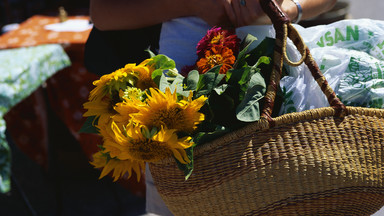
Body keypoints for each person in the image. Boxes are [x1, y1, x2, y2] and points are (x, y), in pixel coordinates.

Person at [89, 0, 337, 215]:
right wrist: (192, 5)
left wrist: (288, 9)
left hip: (282, 93)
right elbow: (103, 12)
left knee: (284, 201)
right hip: (175, 111)